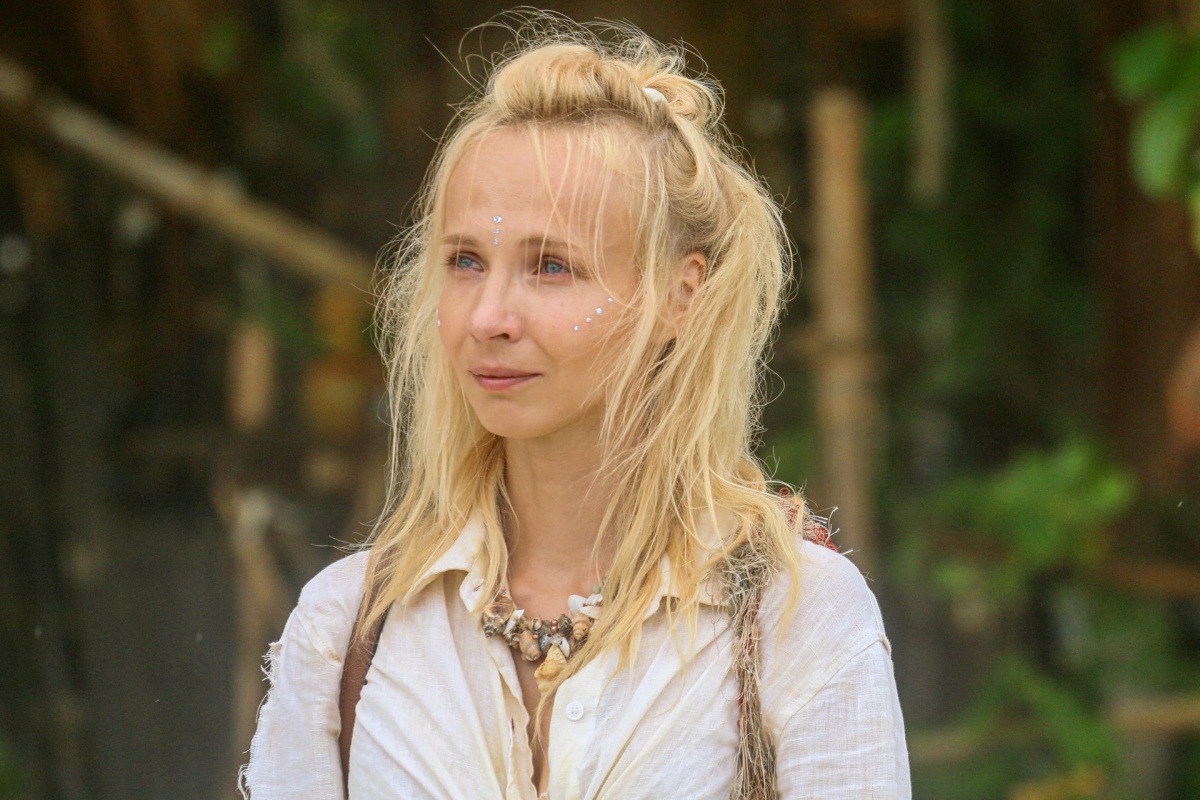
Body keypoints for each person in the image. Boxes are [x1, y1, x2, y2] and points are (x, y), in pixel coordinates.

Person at [240, 16, 909, 800]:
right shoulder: (349, 627)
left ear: (681, 295)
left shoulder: (794, 619)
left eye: (551, 267)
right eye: (465, 261)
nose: (489, 316)